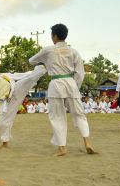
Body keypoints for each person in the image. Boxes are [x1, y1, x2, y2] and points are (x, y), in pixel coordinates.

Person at [29, 23, 95, 156]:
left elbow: (31, 61)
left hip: (56, 84)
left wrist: (45, 62)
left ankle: (62, 148)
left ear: (55, 36)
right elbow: (80, 73)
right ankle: (87, 142)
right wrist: (75, 86)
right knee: (79, 114)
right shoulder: (73, 51)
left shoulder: (48, 50)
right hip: (71, 83)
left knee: (57, 116)